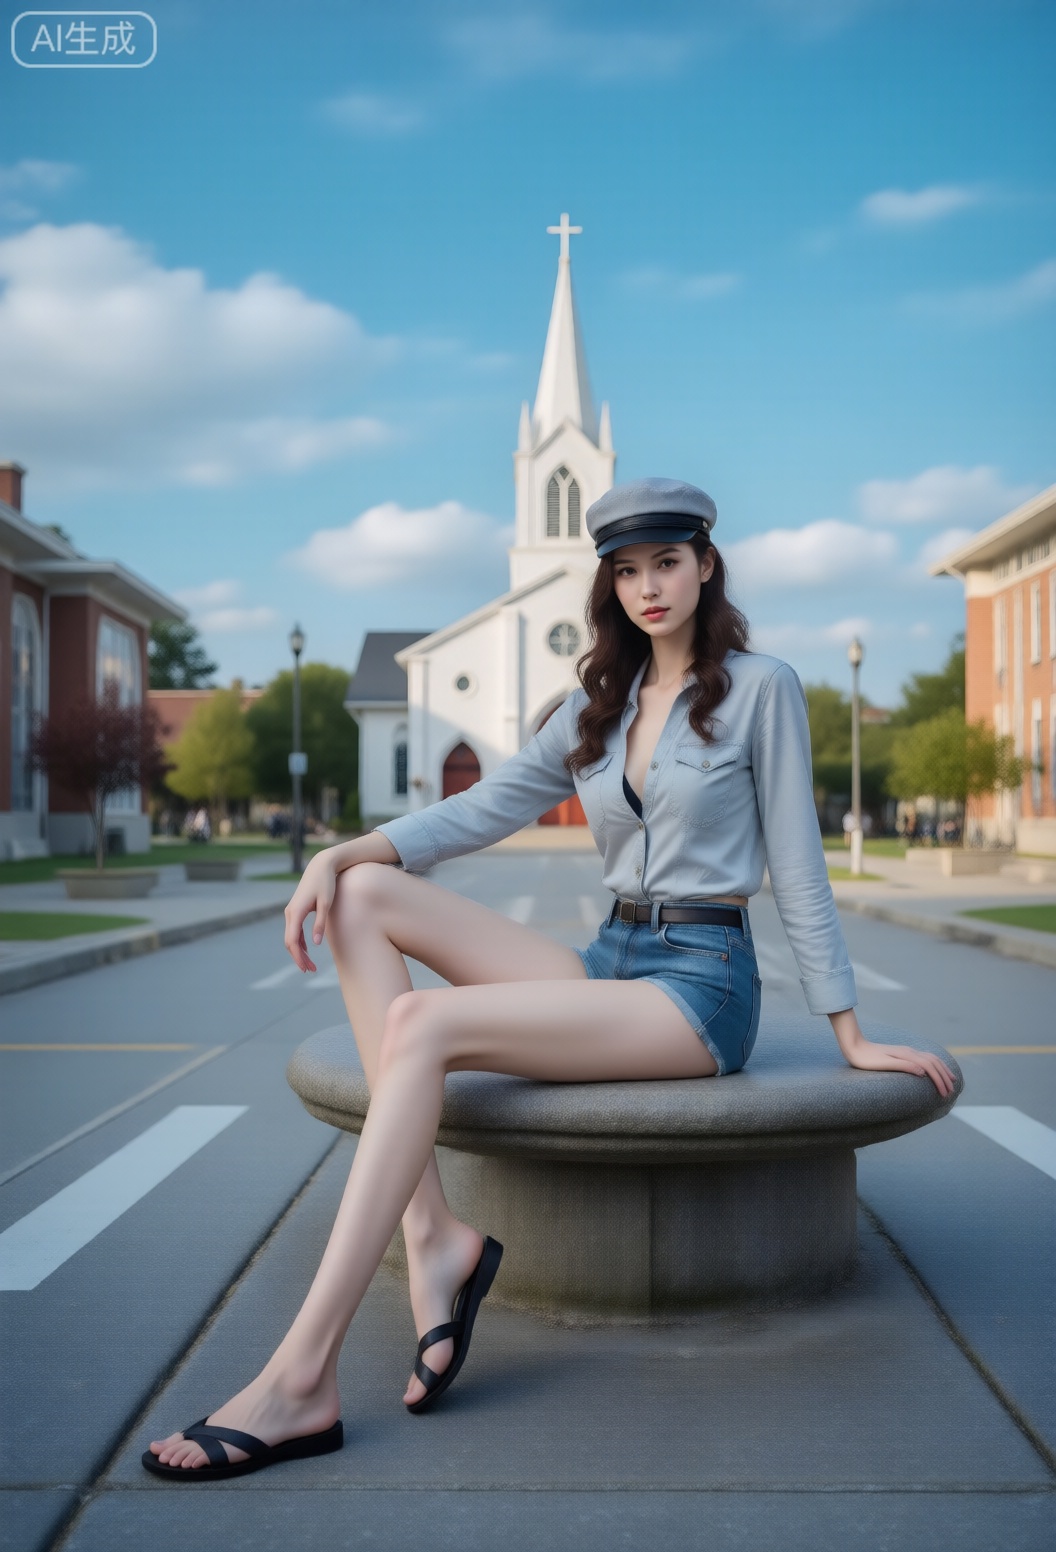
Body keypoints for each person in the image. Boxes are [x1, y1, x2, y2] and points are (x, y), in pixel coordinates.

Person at [144, 478, 955, 1481]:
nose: (649, 587)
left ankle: (300, 1376)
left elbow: (799, 865)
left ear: (706, 564)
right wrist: (340, 851)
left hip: (700, 986)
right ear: (609, 585)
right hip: (609, 959)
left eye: (668, 562)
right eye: (628, 570)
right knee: (359, 897)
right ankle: (433, 1235)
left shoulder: (761, 688)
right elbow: (479, 810)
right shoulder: (593, 707)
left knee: (422, 1028)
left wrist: (849, 1030)